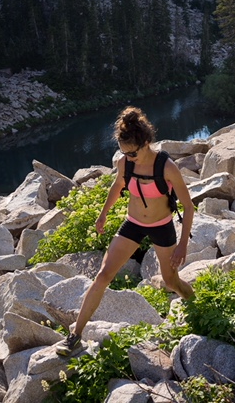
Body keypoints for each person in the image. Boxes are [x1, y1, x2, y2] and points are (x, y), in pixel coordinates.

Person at [56, 106, 195, 356]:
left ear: (146, 143)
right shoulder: (125, 163)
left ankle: (194, 303)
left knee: (171, 280)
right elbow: (118, 185)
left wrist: (183, 244)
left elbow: (188, 206)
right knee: (103, 275)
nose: (128, 157)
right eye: (124, 153)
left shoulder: (166, 167)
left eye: (132, 153)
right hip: (133, 223)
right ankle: (75, 335)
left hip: (162, 226)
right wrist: (103, 214)